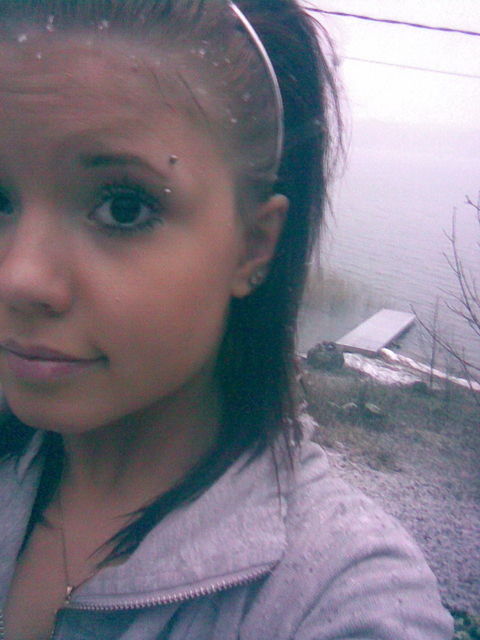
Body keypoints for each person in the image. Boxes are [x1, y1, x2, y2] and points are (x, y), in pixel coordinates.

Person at [0, 1, 453, 638]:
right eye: (0, 201)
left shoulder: (332, 592)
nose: (18, 278)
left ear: (253, 246)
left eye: (124, 207)